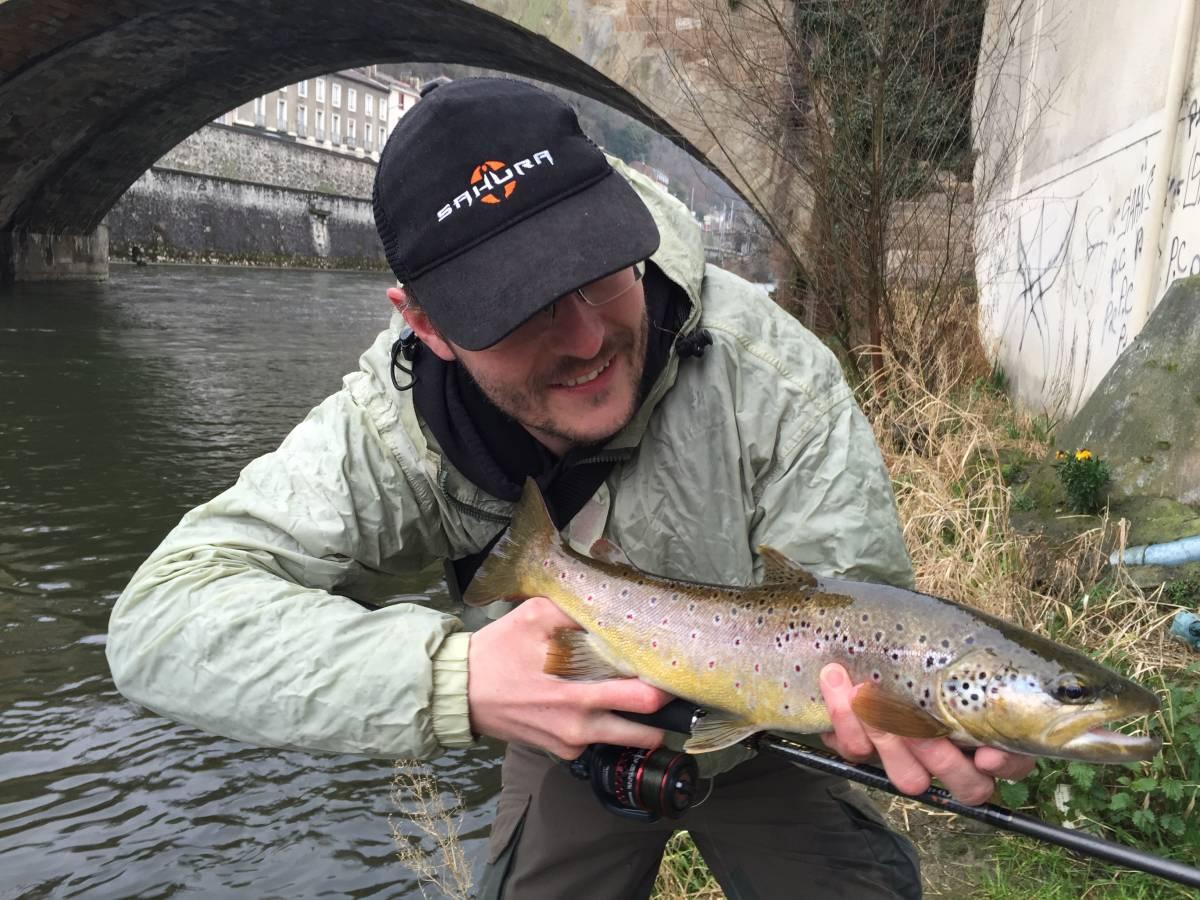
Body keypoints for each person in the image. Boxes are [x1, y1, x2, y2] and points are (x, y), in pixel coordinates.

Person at [107, 77, 1035, 898]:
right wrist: (458, 679)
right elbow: (161, 619)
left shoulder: (777, 376)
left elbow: (851, 596)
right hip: (566, 724)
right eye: (520, 308)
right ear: (425, 326)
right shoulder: (391, 431)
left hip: (768, 734)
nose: (587, 339)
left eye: (598, 273)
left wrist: (896, 703)